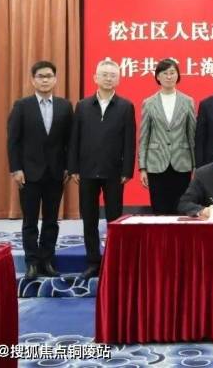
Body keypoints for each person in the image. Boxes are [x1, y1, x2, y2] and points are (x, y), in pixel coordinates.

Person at [68, 59, 136, 279]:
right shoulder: (83, 106)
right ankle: (92, 261)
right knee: (89, 218)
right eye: (104, 74)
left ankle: (114, 260)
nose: (108, 78)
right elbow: (75, 139)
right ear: (95, 78)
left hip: (114, 172)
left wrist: (127, 170)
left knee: (114, 219)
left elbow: (129, 141)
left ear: (119, 79)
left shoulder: (125, 106)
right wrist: (73, 168)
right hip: (86, 170)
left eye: (112, 75)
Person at [7, 61, 73, 280]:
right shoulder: (22, 106)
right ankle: (32, 263)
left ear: (55, 79)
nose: (45, 80)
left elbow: (69, 141)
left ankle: (47, 260)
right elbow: (13, 141)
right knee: (30, 221)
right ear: (33, 80)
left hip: (56, 173)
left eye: (49, 76)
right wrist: (16, 169)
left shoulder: (65, 106)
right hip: (28, 174)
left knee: (52, 220)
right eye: (40, 76)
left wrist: (68, 167)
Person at [138, 58, 196, 214]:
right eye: (165, 73)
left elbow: (192, 135)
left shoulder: (188, 101)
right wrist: (142, 168)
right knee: (159, 209)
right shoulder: (149, 103)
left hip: (181, 162)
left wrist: (195, 166)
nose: (169, 76)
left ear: (178, 75)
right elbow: (144, 136)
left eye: (172, 73)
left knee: (182, 208)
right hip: (156, 163)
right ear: (158, 76)